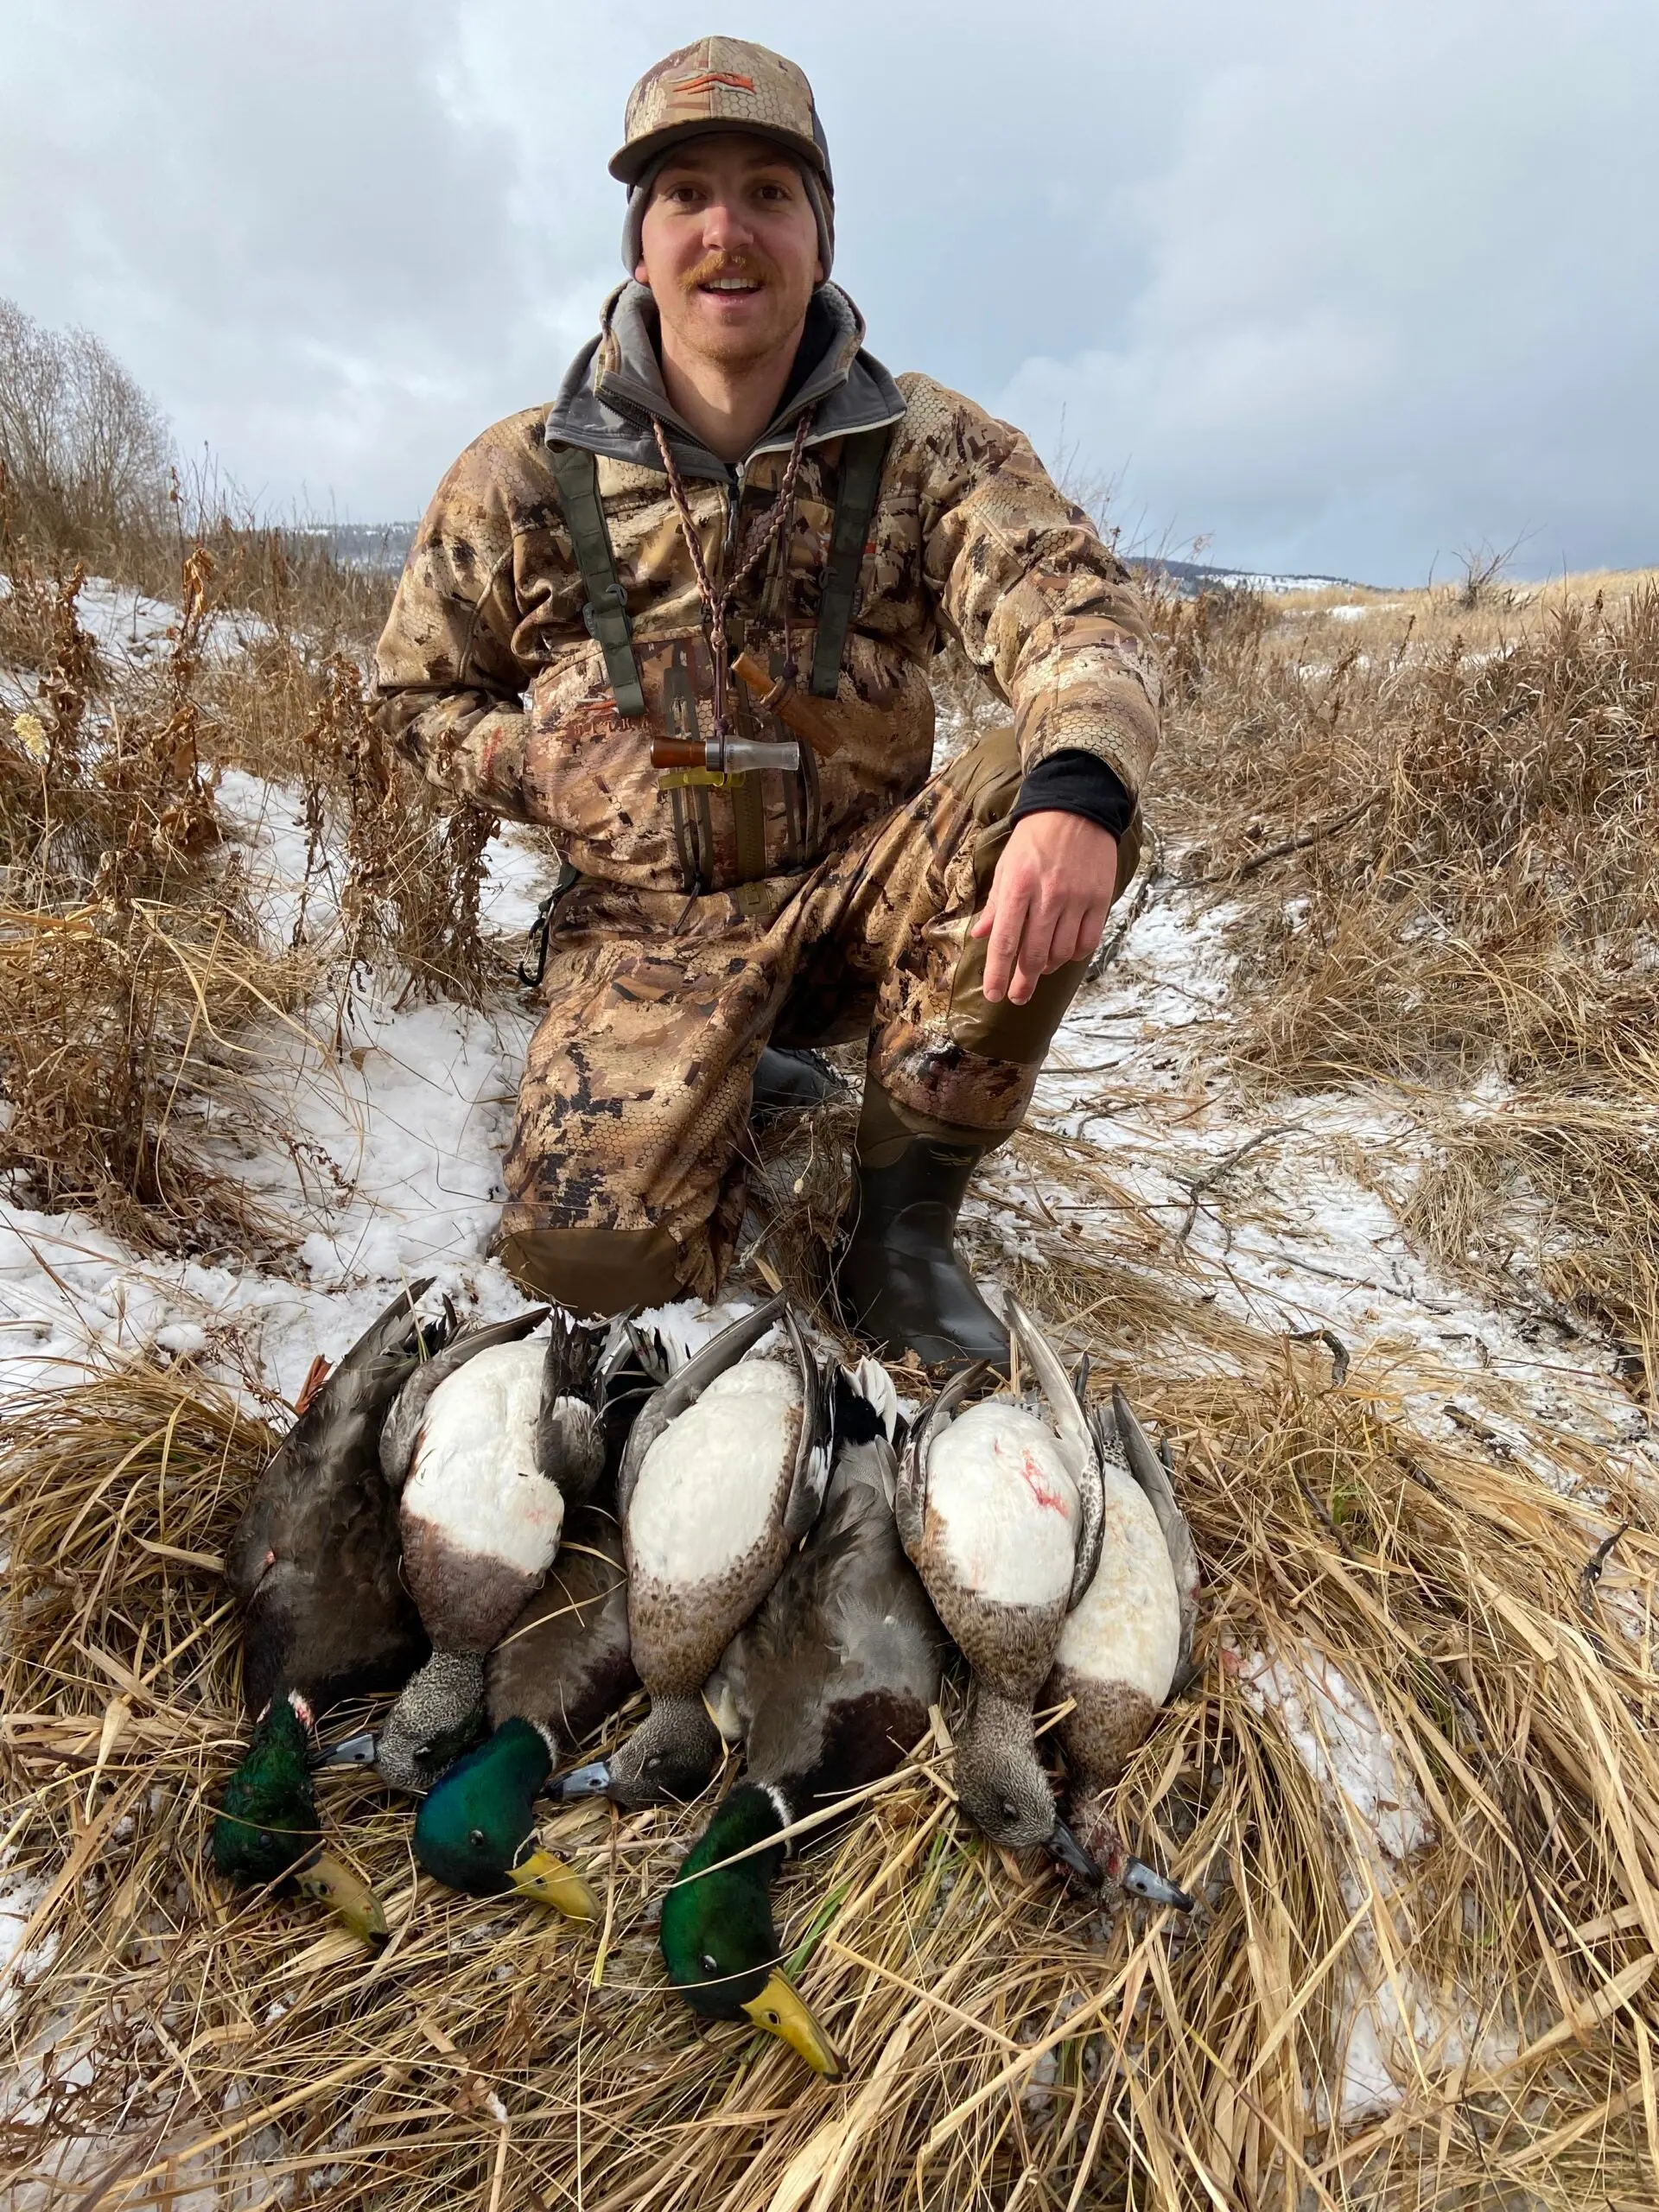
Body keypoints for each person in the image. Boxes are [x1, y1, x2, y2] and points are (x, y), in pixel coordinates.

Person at [372, 35, 1160, 1367]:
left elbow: (1074, 611)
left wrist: (1080, 787)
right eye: (685, 192)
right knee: (593, 1266)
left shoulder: (924, 447)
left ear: (822, 232)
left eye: (769, 192)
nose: (726, 231)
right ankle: (733, 1071)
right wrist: (538, 760)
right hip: (644, 931)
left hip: (860, 897)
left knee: (1050, 780)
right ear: (640, 242)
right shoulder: (518, 475)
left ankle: (900, 1233)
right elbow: (412, 697)